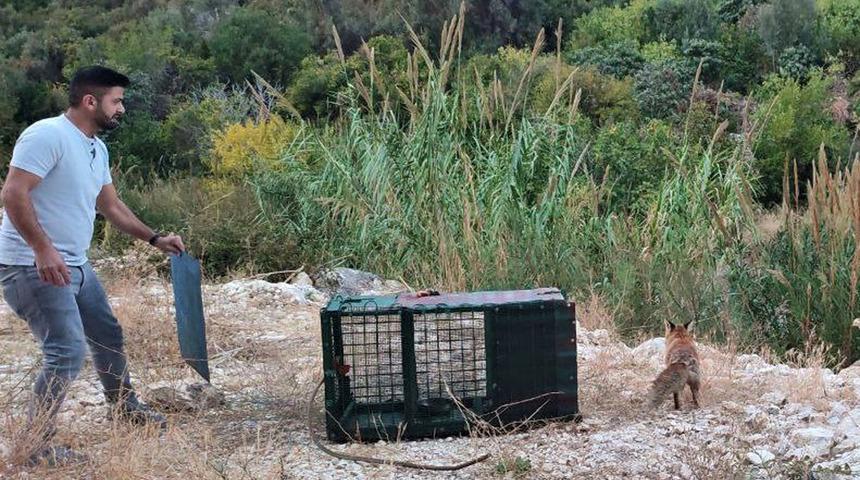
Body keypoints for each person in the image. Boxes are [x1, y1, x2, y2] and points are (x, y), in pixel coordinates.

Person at [0, 65, 185, 466]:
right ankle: (33, 449)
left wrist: (155, 238)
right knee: (66, 351)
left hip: (76, 266)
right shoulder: (47, 135)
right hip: (33, 265)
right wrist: (42, 249)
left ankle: (124, 408)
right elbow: (13, 193)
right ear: (90, 101)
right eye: (116, 101)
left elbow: (111, 205)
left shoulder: (96, 147)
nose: (121, 109)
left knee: (107, 335)